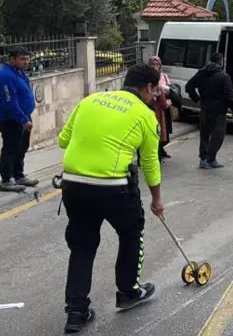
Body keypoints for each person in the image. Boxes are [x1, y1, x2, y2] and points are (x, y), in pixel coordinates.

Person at [58, 64, 164, 333]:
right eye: (154, 92)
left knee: (82, 246)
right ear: (148, 88)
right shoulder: (145, 114)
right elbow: (150, 161)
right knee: (131, 232)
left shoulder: (89, 101)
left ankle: (77, 311)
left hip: (74, 184)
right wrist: (156, 199)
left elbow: (63, 140)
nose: (154, 97)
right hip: (114, 188)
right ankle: (128, 292)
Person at [0, 46, 38, 192]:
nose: (26, 62)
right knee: (11, 148)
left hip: (22, 117)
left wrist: (25, 117)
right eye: (22, 59)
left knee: (21, 147)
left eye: (28, 59)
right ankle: (6, 180)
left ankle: (18, 175)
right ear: (12, 59)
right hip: (11, 119)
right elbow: (9, 102)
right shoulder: (6, 76)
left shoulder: (18, 72)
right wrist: (22, 119)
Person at [185, 52, 233, 169]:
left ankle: (203, 159)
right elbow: (229, 96)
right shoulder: (224, 76)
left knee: (204, 135)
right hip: (219, 111)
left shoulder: (201, 74)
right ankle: (211, 158)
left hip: (205, 108)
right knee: (218, 135)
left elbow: (189, 86)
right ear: (220, 62)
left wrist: (197, 99)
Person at [147, 56, 173, 161]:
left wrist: (167, 93)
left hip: (162, 108)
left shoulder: (164, 76)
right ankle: (155, 155)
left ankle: (161, 151)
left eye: (157, 64)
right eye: (153, 64)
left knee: (164, 132)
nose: (155, 66)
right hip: (154, 108)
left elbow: (169, 89)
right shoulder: (147, 78)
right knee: (155, 133)